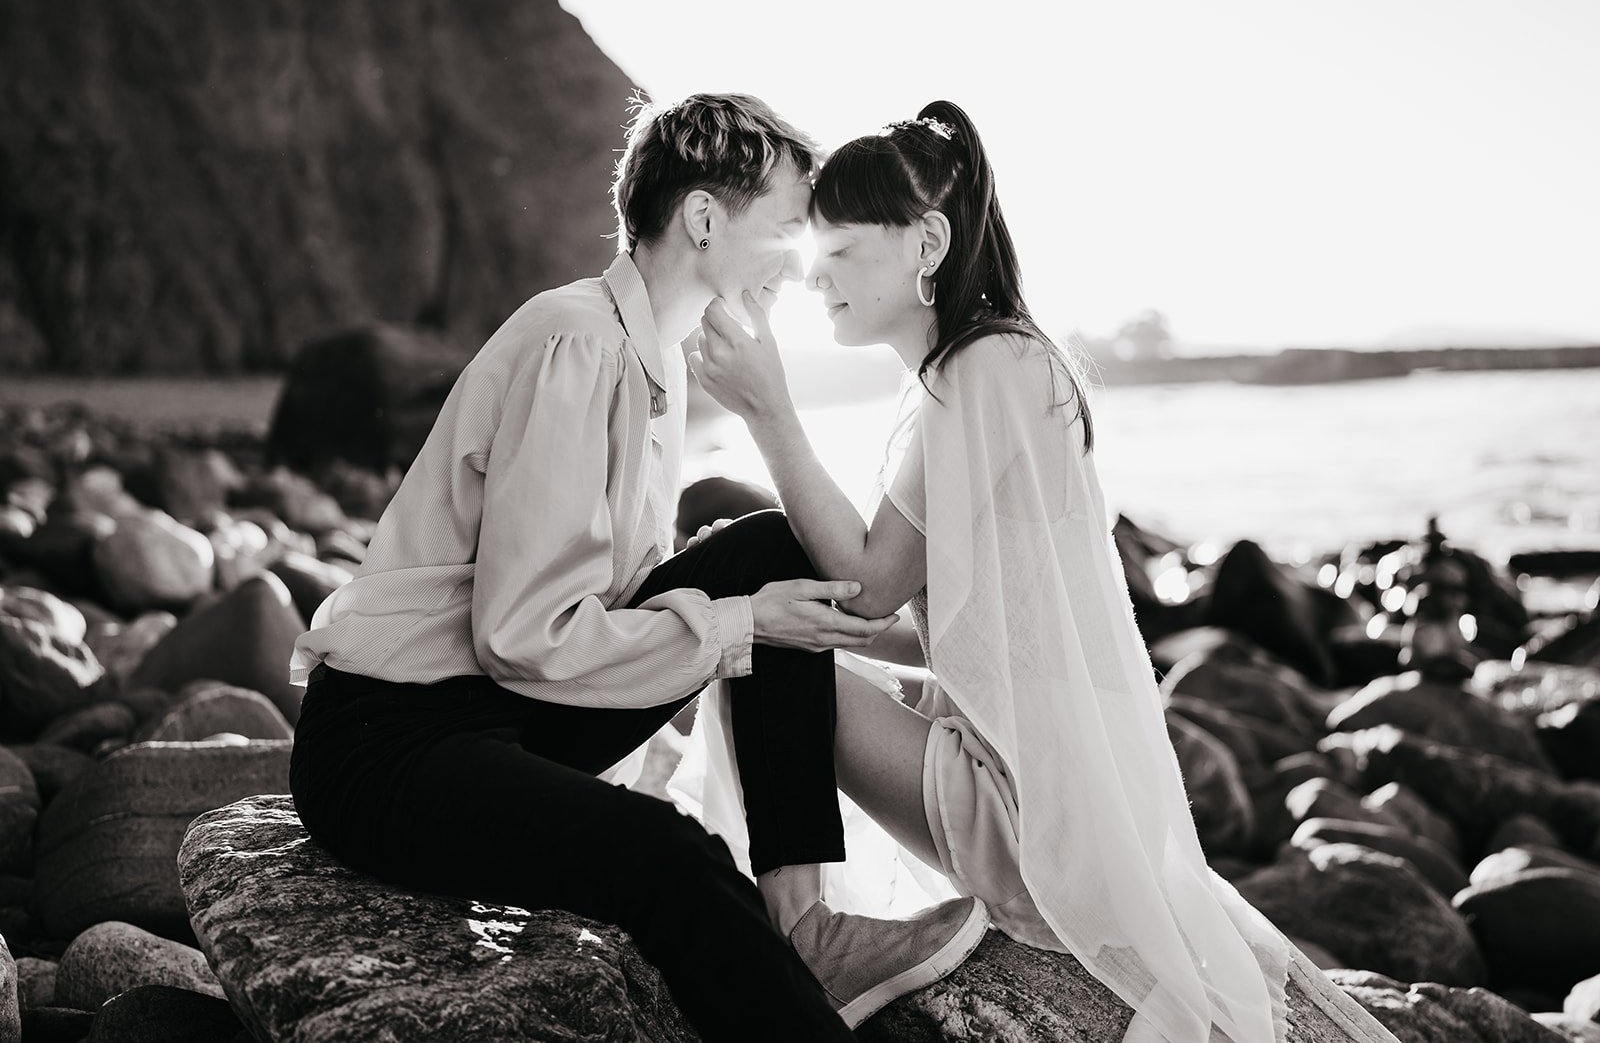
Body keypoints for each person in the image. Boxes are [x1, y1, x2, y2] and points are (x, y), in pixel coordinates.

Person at [687, 100, 1402, 1042]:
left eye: (844, 254)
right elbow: (957, 624)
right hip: (1049, 785)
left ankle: (806, 935)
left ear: (928, 243)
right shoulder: (998, 366)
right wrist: (823, 628)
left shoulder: (980, 374)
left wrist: (770, 416)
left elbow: (868, 590)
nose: (820, 283)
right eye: (813, 263)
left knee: (756, 645)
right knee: (777, 623)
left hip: (1025, 811)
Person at [286, 93, 988, 1043]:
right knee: (667, 855)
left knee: (773, 544)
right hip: (394, 739)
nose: (803, 258)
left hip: (500, 705)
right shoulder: (577, 340)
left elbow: (614, 596)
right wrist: (743, 628)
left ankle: (805, 928)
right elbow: (519, 635)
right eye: (787, 226)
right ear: (704, 218)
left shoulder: (653, 352)